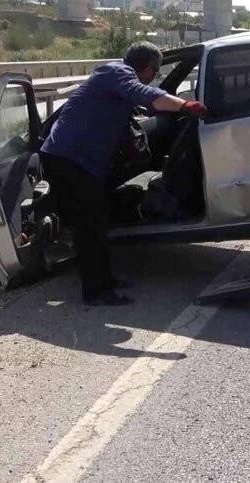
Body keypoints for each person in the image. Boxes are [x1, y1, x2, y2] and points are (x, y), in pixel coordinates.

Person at [40, 42, 207, 306]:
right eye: (155, 71)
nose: (155, 76)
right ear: (145, 66)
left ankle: (103, 279)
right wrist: (185, 105)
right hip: (68, 160)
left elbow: (142, 107)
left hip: (82, 161)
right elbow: (145, 94)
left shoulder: (118, 79)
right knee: (88, 226)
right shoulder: (115, 72)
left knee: (98, 220)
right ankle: (96, 292)